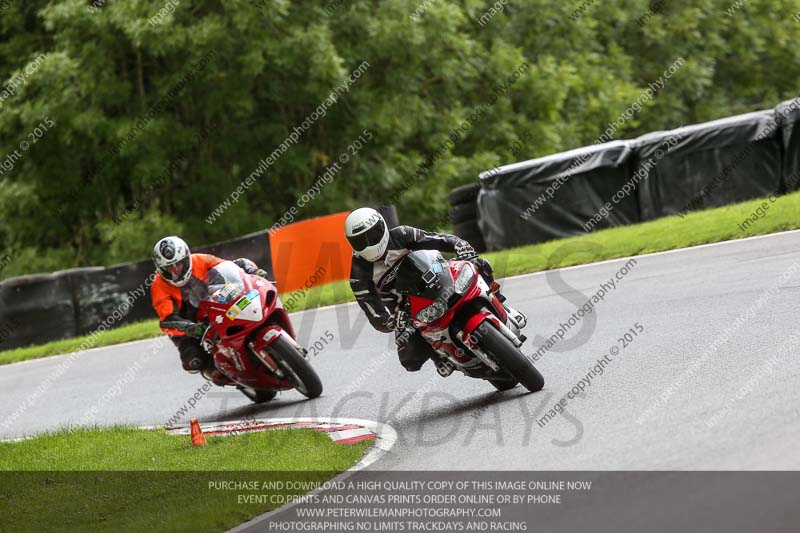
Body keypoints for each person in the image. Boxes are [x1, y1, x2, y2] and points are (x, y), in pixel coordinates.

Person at [345, 208, 526, 373]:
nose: (368, 244)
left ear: (382, 227)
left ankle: (501, 304)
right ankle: (438, 356)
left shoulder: (402, 234)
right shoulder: (358, 274)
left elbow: (441, 240)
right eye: (360, 241)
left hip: (438, 276)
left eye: (373, 236)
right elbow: (374, 315)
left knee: (479, 264)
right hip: (408, 311)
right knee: (410, 359)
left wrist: (462, 248)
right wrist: (392, 322)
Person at [150, 236, 270, 385]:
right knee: (193, 361)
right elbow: (168, 319)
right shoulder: (158, 285)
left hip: (215, 303)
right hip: (188, 323)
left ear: (186, 258)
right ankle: (219, 371)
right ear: (160, 269)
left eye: (179, 264)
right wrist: (191, 328)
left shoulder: (201, 259)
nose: (175, 270)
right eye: (169, 268)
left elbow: (233, 266)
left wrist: (253, 271)